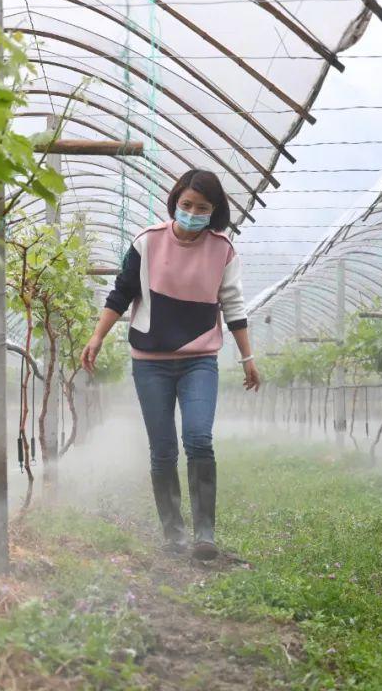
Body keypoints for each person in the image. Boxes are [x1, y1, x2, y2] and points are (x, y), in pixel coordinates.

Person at [81, 169, 260, 560]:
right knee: (162, 450)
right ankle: (173, 534)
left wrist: (248, 358)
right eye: (187, 205)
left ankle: (205, 534)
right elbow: (121, 293)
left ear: (214, 212)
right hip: (151, 363)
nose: (193, 213)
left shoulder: (223, 250)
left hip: (200, 360)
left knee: (198, 438)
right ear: (175, 201)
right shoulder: (147, 243)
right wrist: (97, 336)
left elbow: (233, 305)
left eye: (202, 208)